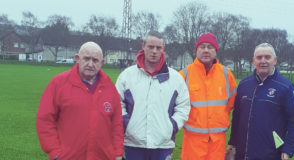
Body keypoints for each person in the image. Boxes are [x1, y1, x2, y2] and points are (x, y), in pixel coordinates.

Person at [36, 42, 124, 160]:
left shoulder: (109, 87)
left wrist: (117, 152)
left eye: (95, 60)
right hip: (68, 157)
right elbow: (45, 119)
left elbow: (117, 124)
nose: (90, 64)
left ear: (101, 63)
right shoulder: (59, 83)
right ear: (77, 59)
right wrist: (54, 150)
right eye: (86, 59)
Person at [115, 31, 190, 160]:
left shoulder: (176, 79)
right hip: (133, 144)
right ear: (143, 46)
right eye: (150, 47)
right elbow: (117, 103)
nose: (154, 51)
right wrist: (127, 124)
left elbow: (183, 107)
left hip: (163, 144)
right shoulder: (127, 76)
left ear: (163, 49)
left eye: (158, 47)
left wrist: (171, 126)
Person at [227, 43, 294, 160]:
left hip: (270, 154)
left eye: (267, 57)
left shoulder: (286, 87)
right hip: (242, 153)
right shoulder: (243, 84)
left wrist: (288, 149)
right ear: (253, 61)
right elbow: (237, 117)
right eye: (259, 57)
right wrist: (232, 142)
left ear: (275, 60)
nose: (263, 61)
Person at [179, 33, 237, 160]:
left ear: (216, 51)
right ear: (196, 50)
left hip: (217, 143)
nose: (206, 50)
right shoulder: (184, 75)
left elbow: (231, 105)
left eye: (210, 47)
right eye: (202, 47)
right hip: (192, 143)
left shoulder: (227, 75)